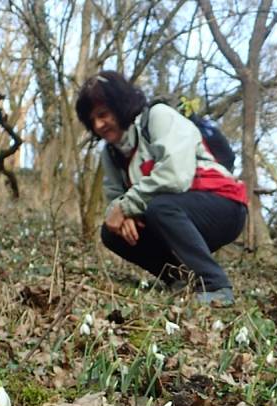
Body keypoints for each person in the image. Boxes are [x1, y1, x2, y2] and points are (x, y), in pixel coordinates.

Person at [75, 71, 248, 305]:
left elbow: (175, 176)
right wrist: (121, 213)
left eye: (103, 115)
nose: (99, 125)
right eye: (92, 120)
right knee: (111, 233)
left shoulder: (158, 117)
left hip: (224, 205)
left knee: (160, 207)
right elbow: (115, 199)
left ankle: (215, 286)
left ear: (119, 105)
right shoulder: (111, 154)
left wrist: (127, 206)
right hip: (174, 216)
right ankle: (179, 279)